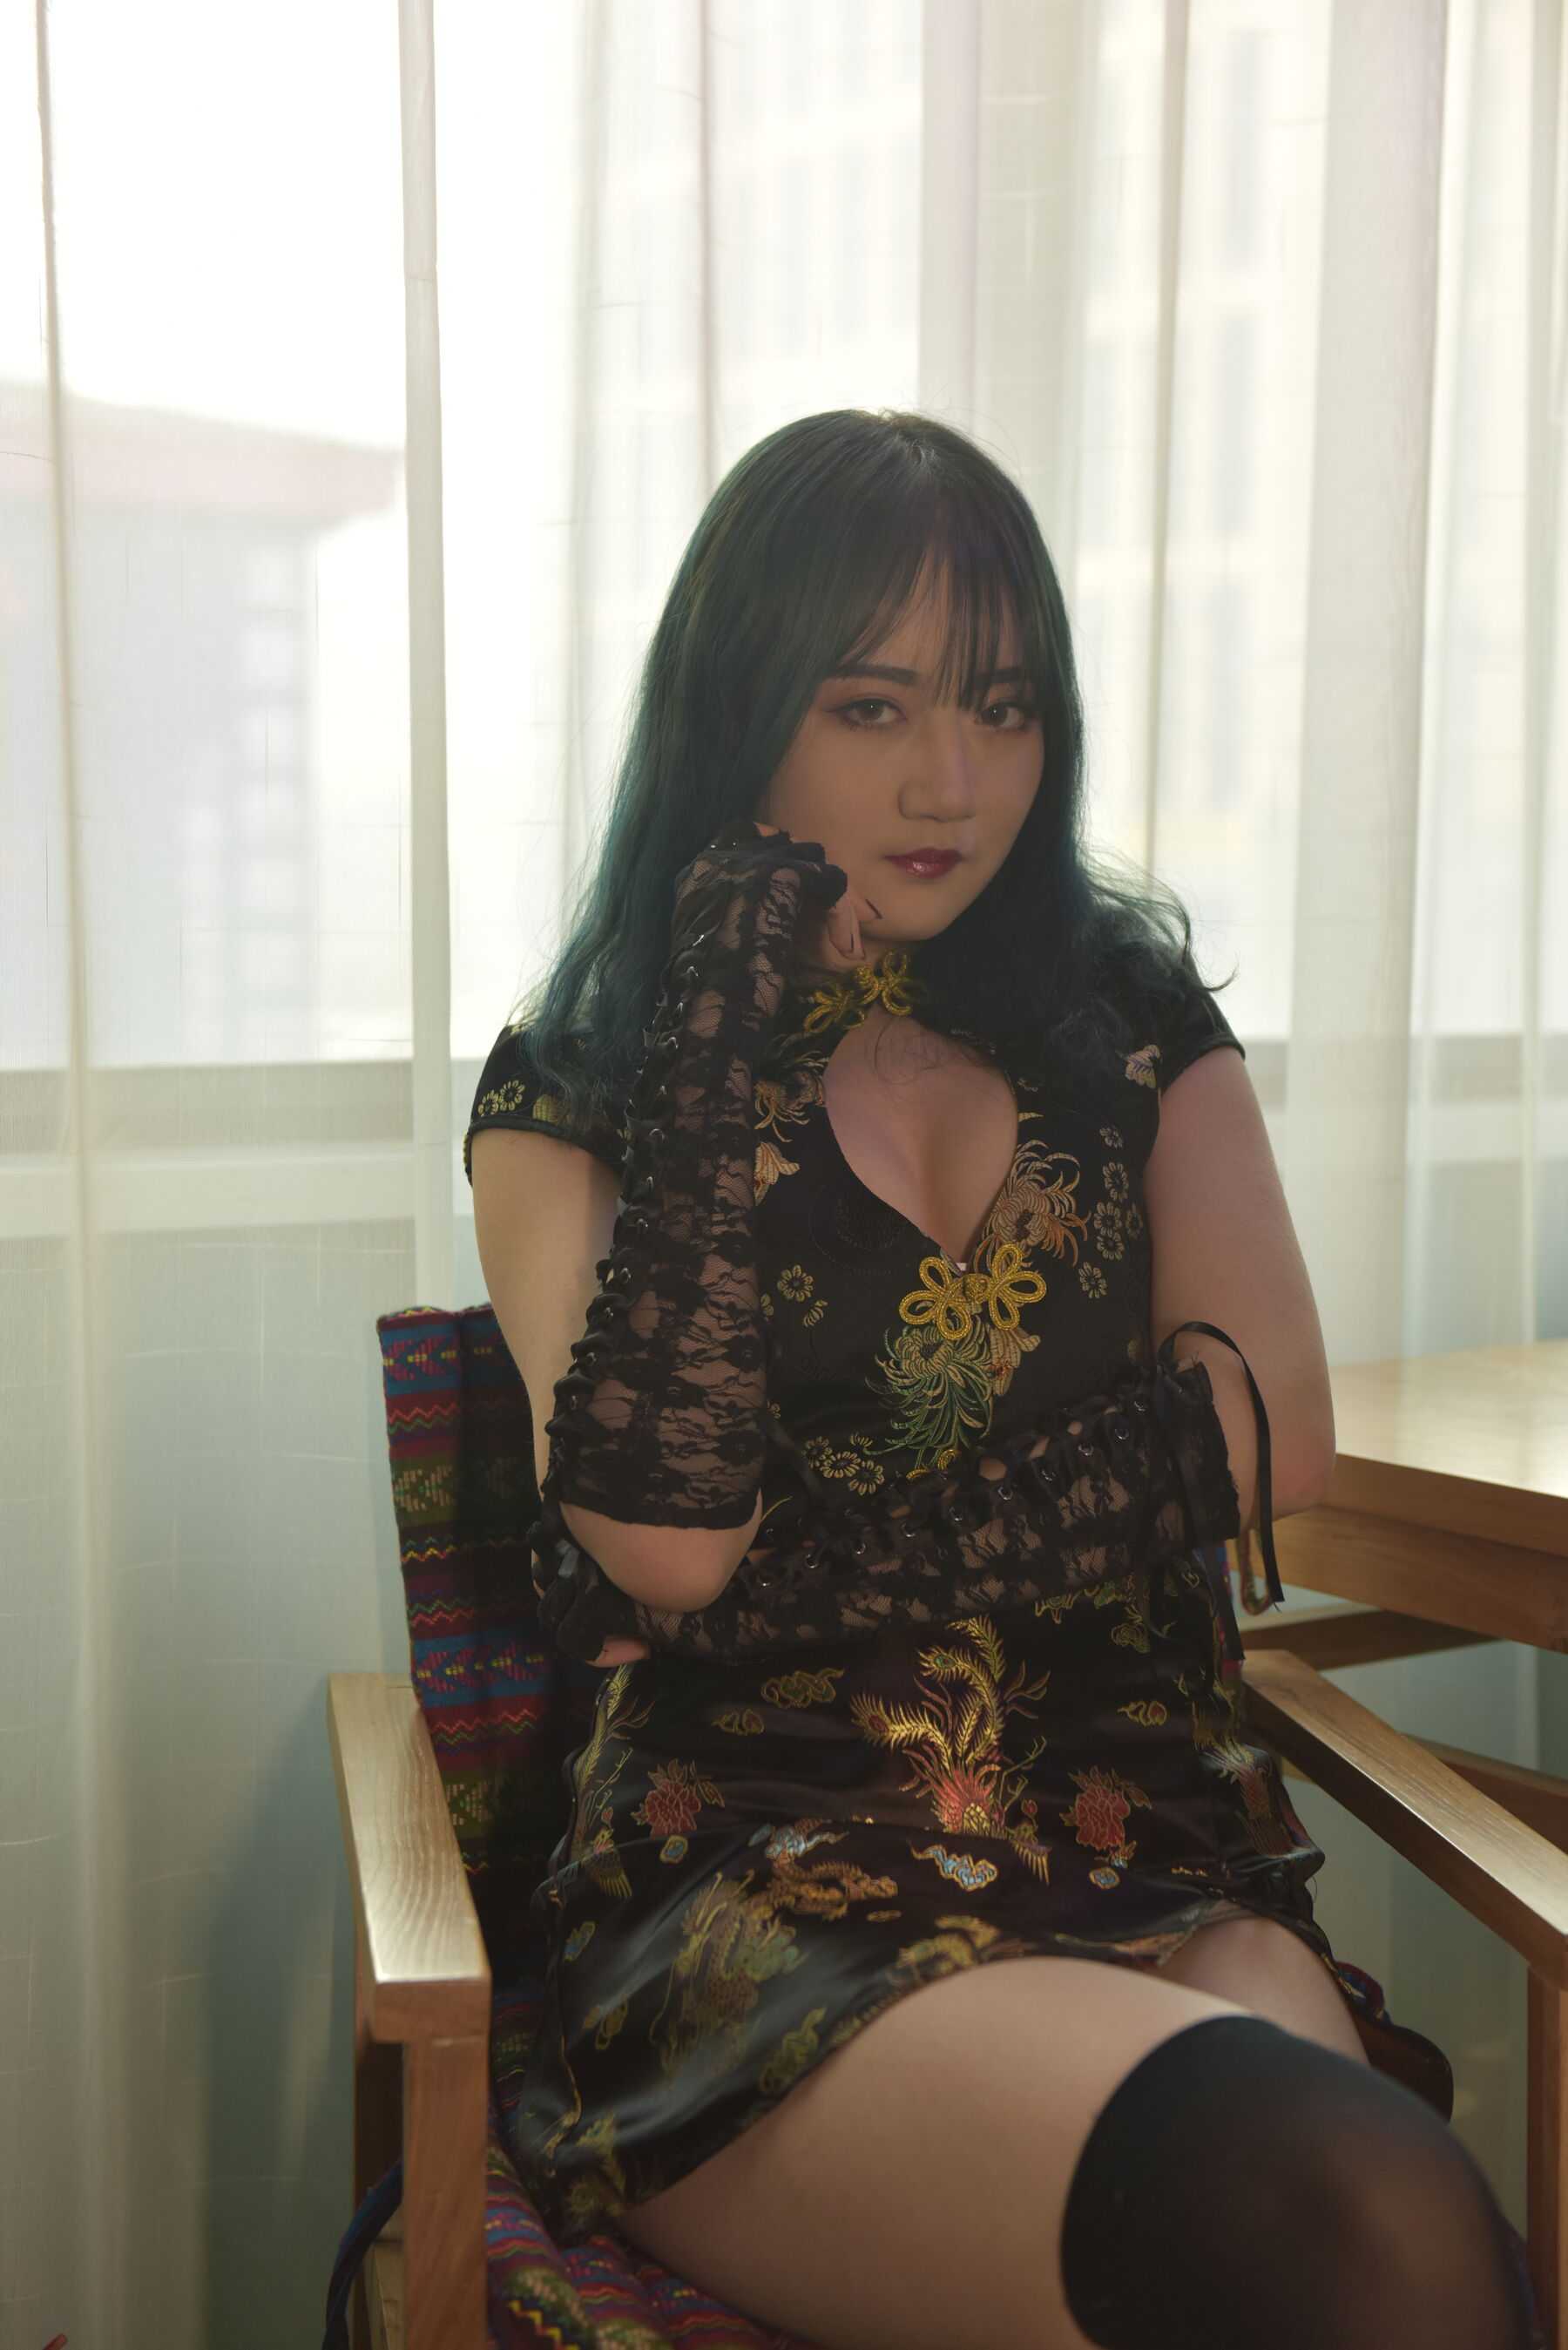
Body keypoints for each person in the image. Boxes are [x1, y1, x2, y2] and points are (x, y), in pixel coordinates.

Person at [466, 410, 1537, 2349]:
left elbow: (1266, 1426)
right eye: (871, 707)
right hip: (770, 1871)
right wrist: (722, 1017)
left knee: (1369, 2212)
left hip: (1139, 1826)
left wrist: (802, 1576)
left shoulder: (1126, 1013)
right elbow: (666, 1541)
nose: (951, 780)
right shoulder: (596, 1067)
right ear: (740, 707)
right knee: (1353, 2220)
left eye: (1002, 706)